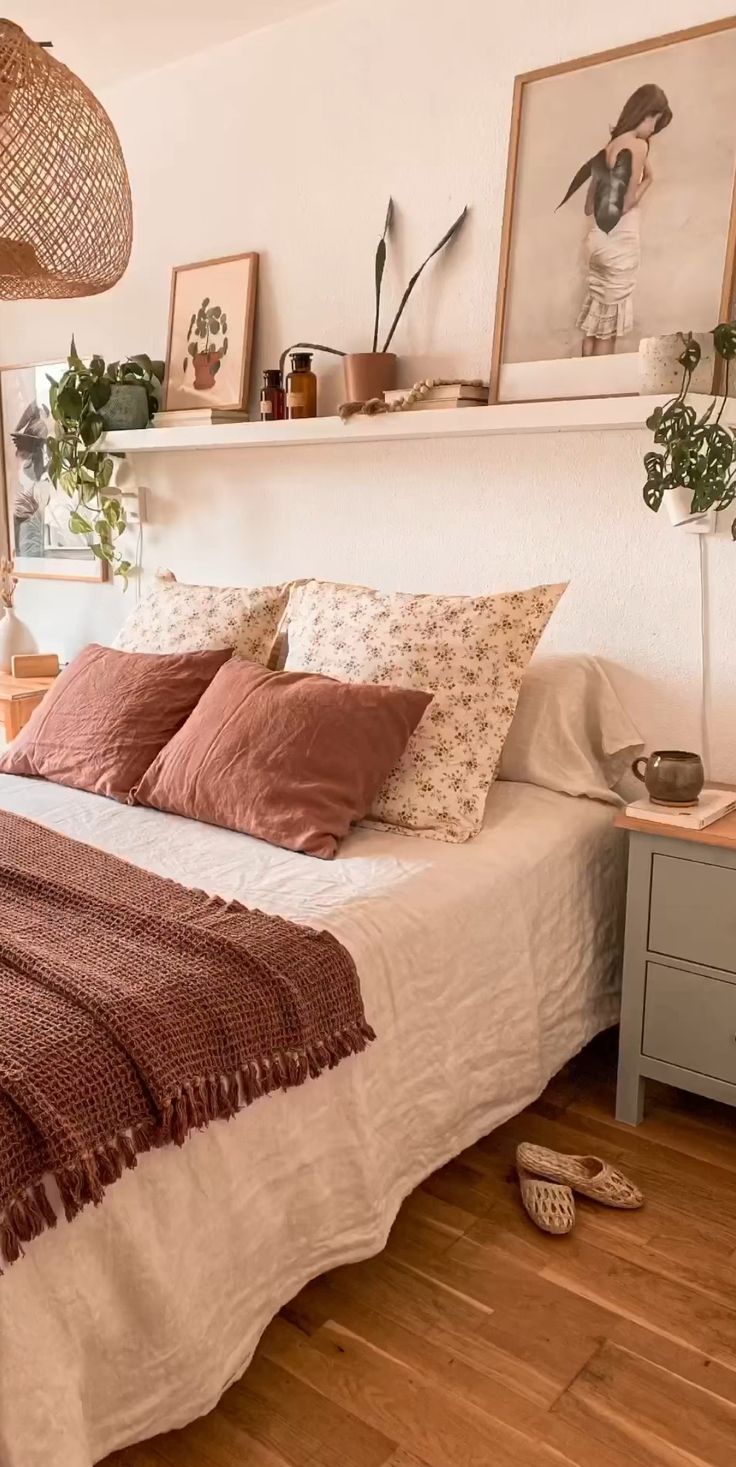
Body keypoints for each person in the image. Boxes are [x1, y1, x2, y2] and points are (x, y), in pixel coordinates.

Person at [557, 84, 672, 356]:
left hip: (597, 243)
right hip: (619, 244)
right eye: (654, 121)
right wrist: (650, 181)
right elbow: (625, 203)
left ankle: (581, 385)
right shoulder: (638, 146)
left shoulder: (609, 147)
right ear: (644, 114)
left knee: (595, 323)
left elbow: (589, 206)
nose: (653, 129)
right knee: (608, 328)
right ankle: (598, 390)